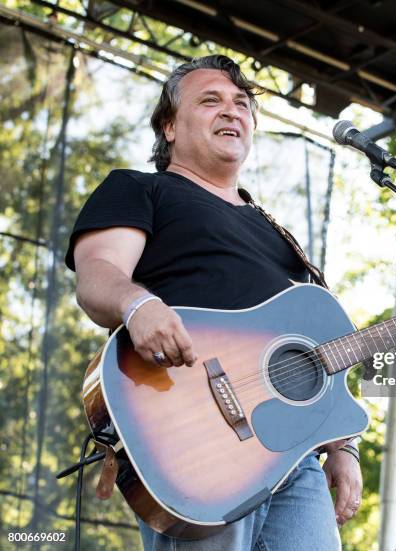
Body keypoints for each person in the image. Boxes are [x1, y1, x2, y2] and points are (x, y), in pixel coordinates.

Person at [64, 55, 362, 550]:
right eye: (211, 101)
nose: (232, 112)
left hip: (293, 457)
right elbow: (98, 274)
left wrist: (343, 446)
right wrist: (139, 306)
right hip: (198, 443)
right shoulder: (142, 188)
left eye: (242, 104)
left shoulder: (276, 234)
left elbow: (318, 351)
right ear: (169, 127)